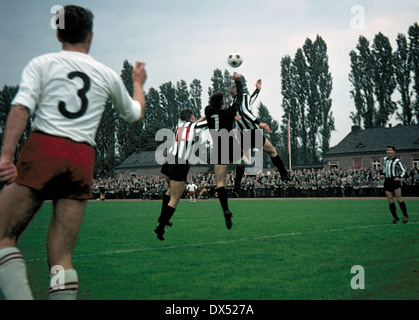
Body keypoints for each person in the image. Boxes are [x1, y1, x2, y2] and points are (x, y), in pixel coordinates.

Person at [0, 5, 147, 300]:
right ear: (90, 36)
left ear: (58, 33)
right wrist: (138, 83)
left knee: (3, 236)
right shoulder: (105, 74)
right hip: (82, 158)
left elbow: (21, 107)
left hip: (45, 146)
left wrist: (6, 155)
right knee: (62, 257)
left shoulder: (42, 63)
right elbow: (135, 114)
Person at [229, 77, 290, 193]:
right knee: (272, 151)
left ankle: (236, 187)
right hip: (252, 133)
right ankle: (284, 175)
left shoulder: (233, 106)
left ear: (232, 95)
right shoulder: (244, 97)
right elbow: (246, 111)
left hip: (242, 136)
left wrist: (257, 90)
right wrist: (260, 123)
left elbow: (249, 102)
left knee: (241, 161)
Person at [155, 109, 207, 241]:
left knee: (170, 191)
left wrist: (199, 119)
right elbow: (206, 123)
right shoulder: (193, 125)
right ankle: (161, 226)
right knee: (175, 198)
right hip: (180, 162)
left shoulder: (179, 125)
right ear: (191, 116)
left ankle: (163, 219)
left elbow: (193, 124)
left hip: (169, 159)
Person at [205, 73, 245, 230]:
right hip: (231, 144)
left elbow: (211, 106)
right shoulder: (229, 113)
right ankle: (237, 187)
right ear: (222, 103)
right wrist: (238, 81)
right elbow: (239, 99)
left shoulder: (208, 111)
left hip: (218, 147)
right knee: (241, 164)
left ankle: (226, 210)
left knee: (220, 183)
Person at [383, 146, 409, 224]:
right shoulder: (385, 160)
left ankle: (405, 216)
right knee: (390, 200)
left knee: (398, 198)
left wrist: (399, 177)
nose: (388, 151)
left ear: (394, 151)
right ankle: (395, 217)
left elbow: (403, 170)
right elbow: (385, 170)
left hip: (394, 181)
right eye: (387, 150)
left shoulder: (397, 161)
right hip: (387, 181)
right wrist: (383, 174)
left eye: (390, 150)